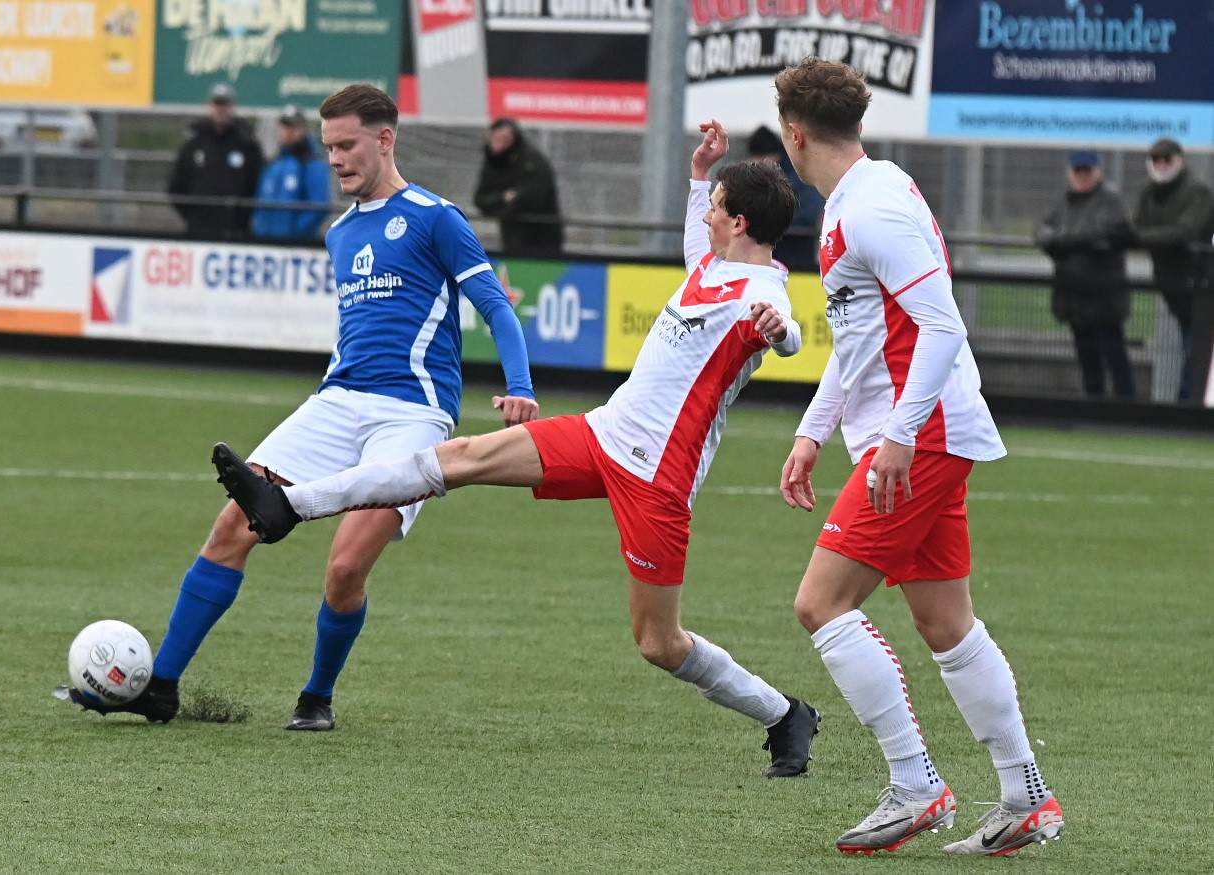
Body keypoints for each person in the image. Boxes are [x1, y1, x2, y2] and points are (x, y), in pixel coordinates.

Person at [210, 120, 824, 779]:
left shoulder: (763, 293)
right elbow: (694, 232)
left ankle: (784, 713)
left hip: (656, 477)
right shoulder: (711, 263)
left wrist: (779, 333)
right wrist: (699, 173)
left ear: (733, 221)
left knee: (658, 641)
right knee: (463, 457)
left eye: (712, 205)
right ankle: (285, 506)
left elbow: (786, 333)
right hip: (603, 433)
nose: (703, 215)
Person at [65, 84, 538, 730]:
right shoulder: (341, 233)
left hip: (411, 414)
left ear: (384, 139)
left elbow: (495, 306)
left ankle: (316, 697)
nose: (336, 159)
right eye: (328, 148)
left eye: (346, 146)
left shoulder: (435, 217)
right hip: (336, 401)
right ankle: (162, 687)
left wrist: (521, 384)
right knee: (232, 524)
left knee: (345, 565)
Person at [772, 58, 1063, 856]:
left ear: (794, 135)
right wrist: (813, 428)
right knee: (944, 621)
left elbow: (939, 327)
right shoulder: (864, 196)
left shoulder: (871, 210)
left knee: (820, 603)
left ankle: (914, 783)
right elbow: (861, 339)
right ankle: (1024, 796)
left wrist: (898, 434)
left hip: (921, 436)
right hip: (918, 430)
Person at [1034, 149, 1137, 399]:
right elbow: (1041, 231)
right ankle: (1093, 408)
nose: (1082, 176)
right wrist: (1060, 240)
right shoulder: (1064, 201)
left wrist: (1062, 241)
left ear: (1098, 171)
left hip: (1104, 297)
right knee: (1087, 356)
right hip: (1074, 296)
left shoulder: (1110, 199)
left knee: (1114, 354)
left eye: (1087, 171)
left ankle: (1128, 409)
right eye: (1078, 171)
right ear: (1070, 173)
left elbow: (1100, 232)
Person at [1132, 137, 1214, 401]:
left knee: (1196, 353)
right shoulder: (1150, 192)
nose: (1161, 164)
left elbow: (1186, 232)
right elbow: (1137, 228)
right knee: (1189, 351)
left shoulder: (1198, 190)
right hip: (1175, 288)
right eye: (1156, 159)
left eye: (1167, 159)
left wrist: (1141, 237)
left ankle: (1187, 410)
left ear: (1180, 160)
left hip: (1202, 287)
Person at [167, 83, 264, 240]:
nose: (221, 109)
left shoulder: (247, 145)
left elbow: (258, 187)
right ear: (210, 106)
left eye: (225, 104)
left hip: (235, 232)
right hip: (198, 231)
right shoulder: (194, 145)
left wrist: (241, 217)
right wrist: (194, 215)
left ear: (232, 107)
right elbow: (176, 187)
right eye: (217, 104)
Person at [472, 117, 564, 254]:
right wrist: (502, 198)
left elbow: (535, 198)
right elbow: (481, 199)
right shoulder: (493, 162)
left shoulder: (533, 161)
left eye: (505, 139)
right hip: (512, 239)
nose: (499, 145)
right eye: (496, 139)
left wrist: (513, 199)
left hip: (543, 240)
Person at [748, 124, 824, 273]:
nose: (762, 163)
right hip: (773, 260)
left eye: (764, 157)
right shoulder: (762, 178)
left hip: (798, 259)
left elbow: (808, 215)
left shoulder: (800, 175)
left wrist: (763, 222)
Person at [252, 104, 333, 240]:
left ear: (304, 129)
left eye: (293, 126)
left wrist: (295, 232)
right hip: (265, 245)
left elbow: (319, 206)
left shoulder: (312, 164)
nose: (288, 131)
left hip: (295, 247)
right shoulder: (273, 164)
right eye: (285, 126)